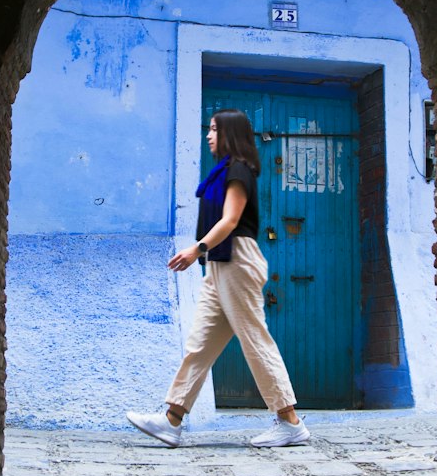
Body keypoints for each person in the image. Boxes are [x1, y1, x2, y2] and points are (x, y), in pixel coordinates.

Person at [126, 108, 311, 448]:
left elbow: (230, 220)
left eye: (214, 129)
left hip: (236, 258)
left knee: (255, 339)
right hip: (220, 262)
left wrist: (196, 249)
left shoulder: (238, 169)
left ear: (229, 133)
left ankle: (290, 422)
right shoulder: (222, 171)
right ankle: (172, 420)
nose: (208, 135)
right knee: (200, 344)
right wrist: (204, 253)